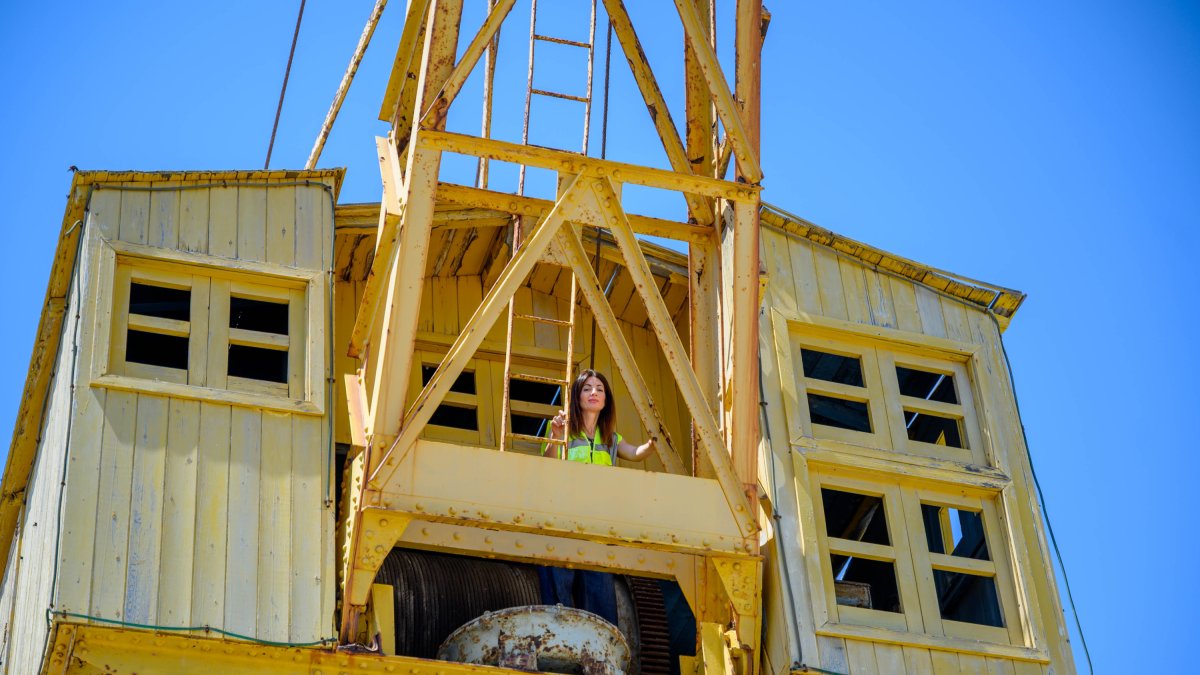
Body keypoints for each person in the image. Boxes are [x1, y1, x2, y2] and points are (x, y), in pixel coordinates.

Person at [537, 369, 657, 625]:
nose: (594, 393)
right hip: (563, 519)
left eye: (600, 389)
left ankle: (600, 641)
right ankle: (561, 634)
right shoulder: (561, 429)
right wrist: (556, 438)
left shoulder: (611, 438)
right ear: (577, 397)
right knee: (559, 580)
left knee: (599, 585)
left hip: (597, 523)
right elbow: (547, 464)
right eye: (587, 388)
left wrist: (653, 443)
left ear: (606, 400)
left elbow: (635, 452)